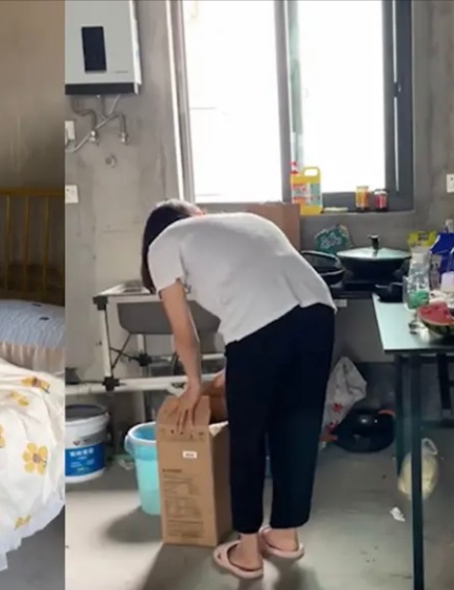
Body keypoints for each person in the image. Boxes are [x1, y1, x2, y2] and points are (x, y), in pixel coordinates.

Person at [140, 199, 335, 580]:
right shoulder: (247, 221)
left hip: (259, 327)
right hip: (318, 312)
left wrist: (193, 385)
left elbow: (184, 332)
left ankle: (247, 554)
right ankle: (285, 536)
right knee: (297, 427)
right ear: (197, 214)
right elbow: (269, 295)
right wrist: (238, 365)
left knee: (247, 438)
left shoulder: (162, 244)